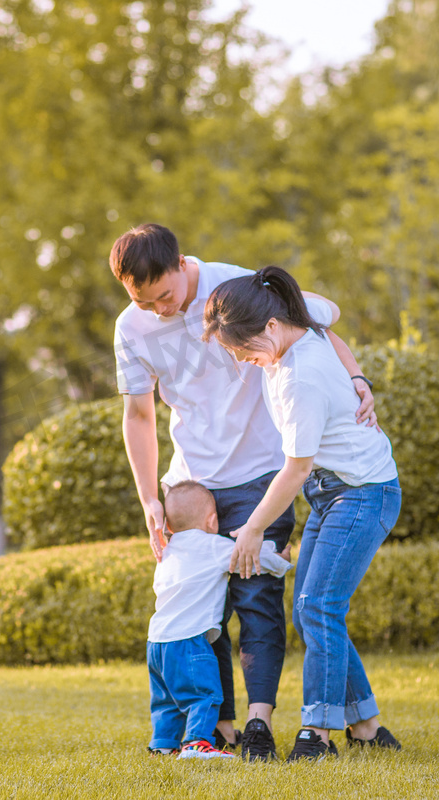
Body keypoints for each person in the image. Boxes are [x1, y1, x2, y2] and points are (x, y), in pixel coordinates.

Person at [111, 223, 377, 760]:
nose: (159, 309)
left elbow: (317, 324)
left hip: (261, 472)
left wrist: (357, 378)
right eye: (144, 301)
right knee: (199, 608)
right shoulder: (131, 327)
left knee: (258, 602)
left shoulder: (236, 287)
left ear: (182, 263)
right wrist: (149, 499)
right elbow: (138, 415)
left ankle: (259, 724)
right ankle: (219, 727)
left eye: (165, 295)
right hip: (189, 484)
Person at [202, 264, 404, 763]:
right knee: (313, 607)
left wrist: (252, 530)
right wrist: (357, 376)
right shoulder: (290, 321)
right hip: (334, 491)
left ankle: (317, 733)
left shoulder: (300, 378)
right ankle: (368, 727)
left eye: (243, 350)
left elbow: (294, 470)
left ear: (270, 327)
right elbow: (326, 317)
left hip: (362, 492)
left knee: (318, 606)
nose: (244, 361)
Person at [147, 481, 292, 760]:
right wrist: (280, 558)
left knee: (166, 701)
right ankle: (197, 744)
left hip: (156, 642)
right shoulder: (212, 545)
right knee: (205, 695)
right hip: (190, 640)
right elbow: (248, 556)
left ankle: (163, 745)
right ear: (213, 520)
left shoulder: (166, 551)